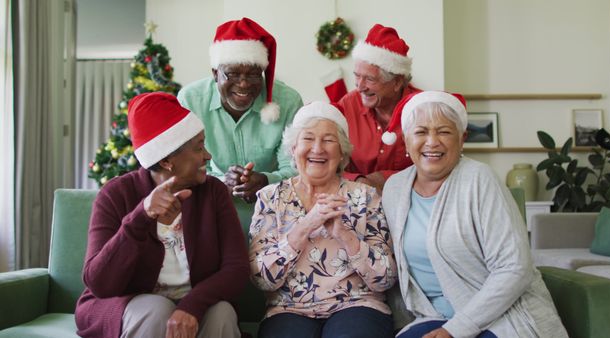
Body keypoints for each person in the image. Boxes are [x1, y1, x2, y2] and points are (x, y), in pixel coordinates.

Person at [381, 91, 568, 338]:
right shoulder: (395, 188)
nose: (432, 141)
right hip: (433, 317)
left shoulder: (480, 179)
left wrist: (456, 329)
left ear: (462, 139)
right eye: (421, 132)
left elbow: (514, 268)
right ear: (406, 140)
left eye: (444, 131)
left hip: (500, 317)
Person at [75, 92, 250, 338]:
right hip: (130, 303)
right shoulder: (116, 194)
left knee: (222, 313)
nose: (208, 156)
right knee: (156, 310)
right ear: (167, 160)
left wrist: (192, 305)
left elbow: (237, 269)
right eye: (199, 148)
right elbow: (99, 283)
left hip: (196, 300)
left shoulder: (214, 192)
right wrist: (140, 217)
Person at [248, 102, 398, 338]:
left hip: (357, 304)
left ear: (342, 153)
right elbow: (261, 279)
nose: (317, 149)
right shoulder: (271, 198)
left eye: (328, 140)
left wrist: (345, 235)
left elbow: (385, 278)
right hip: (289, 309)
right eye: (308, 138)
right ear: (293, 148)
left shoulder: (365, 196)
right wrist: (306, 225)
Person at [178, 17, 303, 205]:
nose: (243, 84)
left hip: (276, 208)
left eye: (253, 74)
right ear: (215, 73)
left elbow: (296, 167)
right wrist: (221, 182)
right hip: (211, 205)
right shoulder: (190, 100)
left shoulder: (288, 101)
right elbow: (185, 167)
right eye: (233, 74)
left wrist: (266, 180)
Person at [336, 24, 421, 193]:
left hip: (412, 201)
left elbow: (436, 167)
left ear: (397, 82)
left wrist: (383, 179)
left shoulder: (423, 109)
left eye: (369, 79)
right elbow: (329, 159)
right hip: (358, 201)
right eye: (357, 76)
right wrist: (358, 179)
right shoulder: (348, 105)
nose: (360, 86)